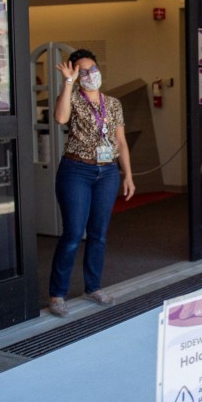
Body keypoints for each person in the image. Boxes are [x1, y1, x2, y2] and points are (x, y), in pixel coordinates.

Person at [49, 49, 135, 318]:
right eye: (82, 70)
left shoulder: (113, 104)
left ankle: (93, 286)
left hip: (107, 172)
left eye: (92, 69)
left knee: (99, 233)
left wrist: (128, 175)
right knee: (73, 234)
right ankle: (57, 294)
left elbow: (121, 142)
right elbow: (60, 119)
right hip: (76, 171)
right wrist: (68, 82)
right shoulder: (72, 98)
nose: (89, 75)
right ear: (75, 72)